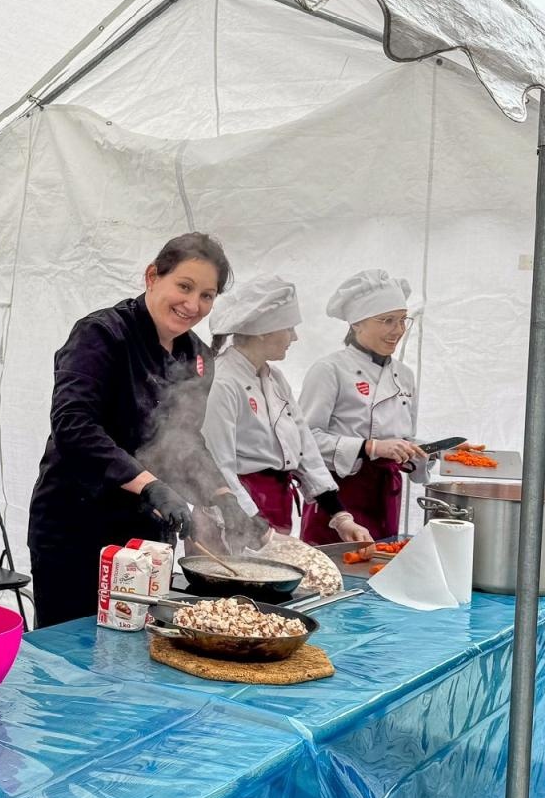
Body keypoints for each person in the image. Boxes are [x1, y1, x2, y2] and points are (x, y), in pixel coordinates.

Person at [27, 233, 271, 627]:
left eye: (207, 296)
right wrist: (148, 483)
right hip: (77, 525)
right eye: (185, 286)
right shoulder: (102, 334)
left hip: (147, 531)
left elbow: (186, 439)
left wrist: (223, 498)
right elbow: (74, 424)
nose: (193, 305)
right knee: (72, 650)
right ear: (152, 276)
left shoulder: (198, 357)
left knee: (137, 642)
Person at [203, 275, 373, 543]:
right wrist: (254, 529)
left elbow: (305, 447)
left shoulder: (274, 378)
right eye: (289, 328)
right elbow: (217, 464)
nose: (294, 337)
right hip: (234, 517)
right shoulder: (223, 382)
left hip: (274, 509)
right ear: (262, 331)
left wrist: (340, 517)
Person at [298, 270, 428, 543]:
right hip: (339, 497)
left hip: (385, 493)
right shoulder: (329, 369)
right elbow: (304, 440)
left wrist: (418, 451)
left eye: (403, 320)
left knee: (380, 568)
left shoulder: (404, 375)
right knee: (332, 573)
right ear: (357, 324)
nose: (398, 330)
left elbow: (404, 434)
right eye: (387, 321)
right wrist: (368, 447)